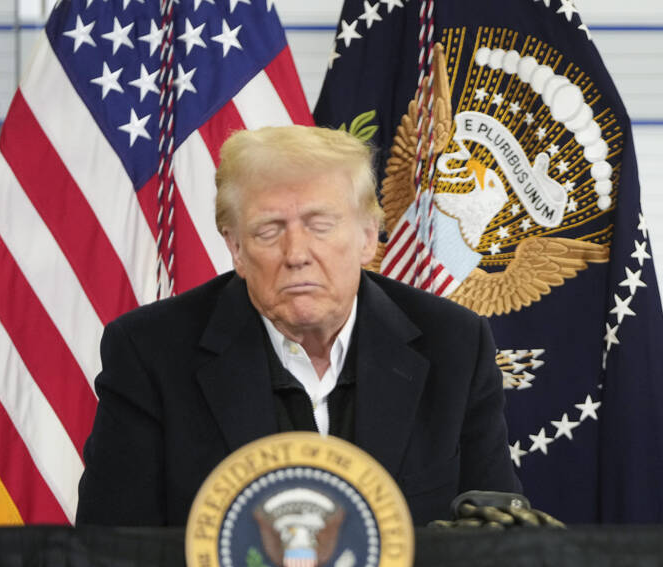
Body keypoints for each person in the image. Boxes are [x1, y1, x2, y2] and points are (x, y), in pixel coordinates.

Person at [77, 125, 520, 527]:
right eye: (269, 231)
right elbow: (114, 559)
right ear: (235, 248)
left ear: (368, 236)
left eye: (319, 225)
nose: (296, 253)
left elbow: (499, 549)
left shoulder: (454, 345)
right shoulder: (149, 353)